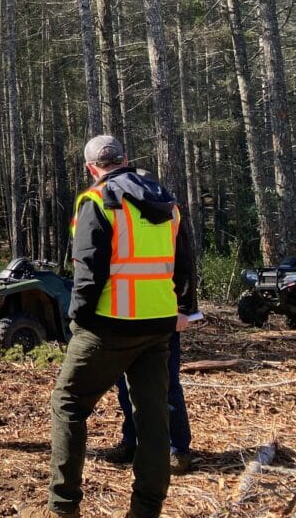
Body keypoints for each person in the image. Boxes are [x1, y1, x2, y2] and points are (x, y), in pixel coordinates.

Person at [21, 135, 197, 518]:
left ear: (91, 168)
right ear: (125, 159)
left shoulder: (98, 200)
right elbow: (185, 261)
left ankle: (63, 506)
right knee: (153, 418)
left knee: (68, 403)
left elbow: (88, 271)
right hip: (158, 326)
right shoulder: (167, 202)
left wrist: (78, 320)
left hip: (109, 324)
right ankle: (146, 510)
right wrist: (185, 308)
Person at [103, 330, 193, 474]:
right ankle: (132, 442)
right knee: (125, 386)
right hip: (120, 326)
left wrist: (182, 315)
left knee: (166, 386)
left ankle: (177, 450)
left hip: (161, 325)